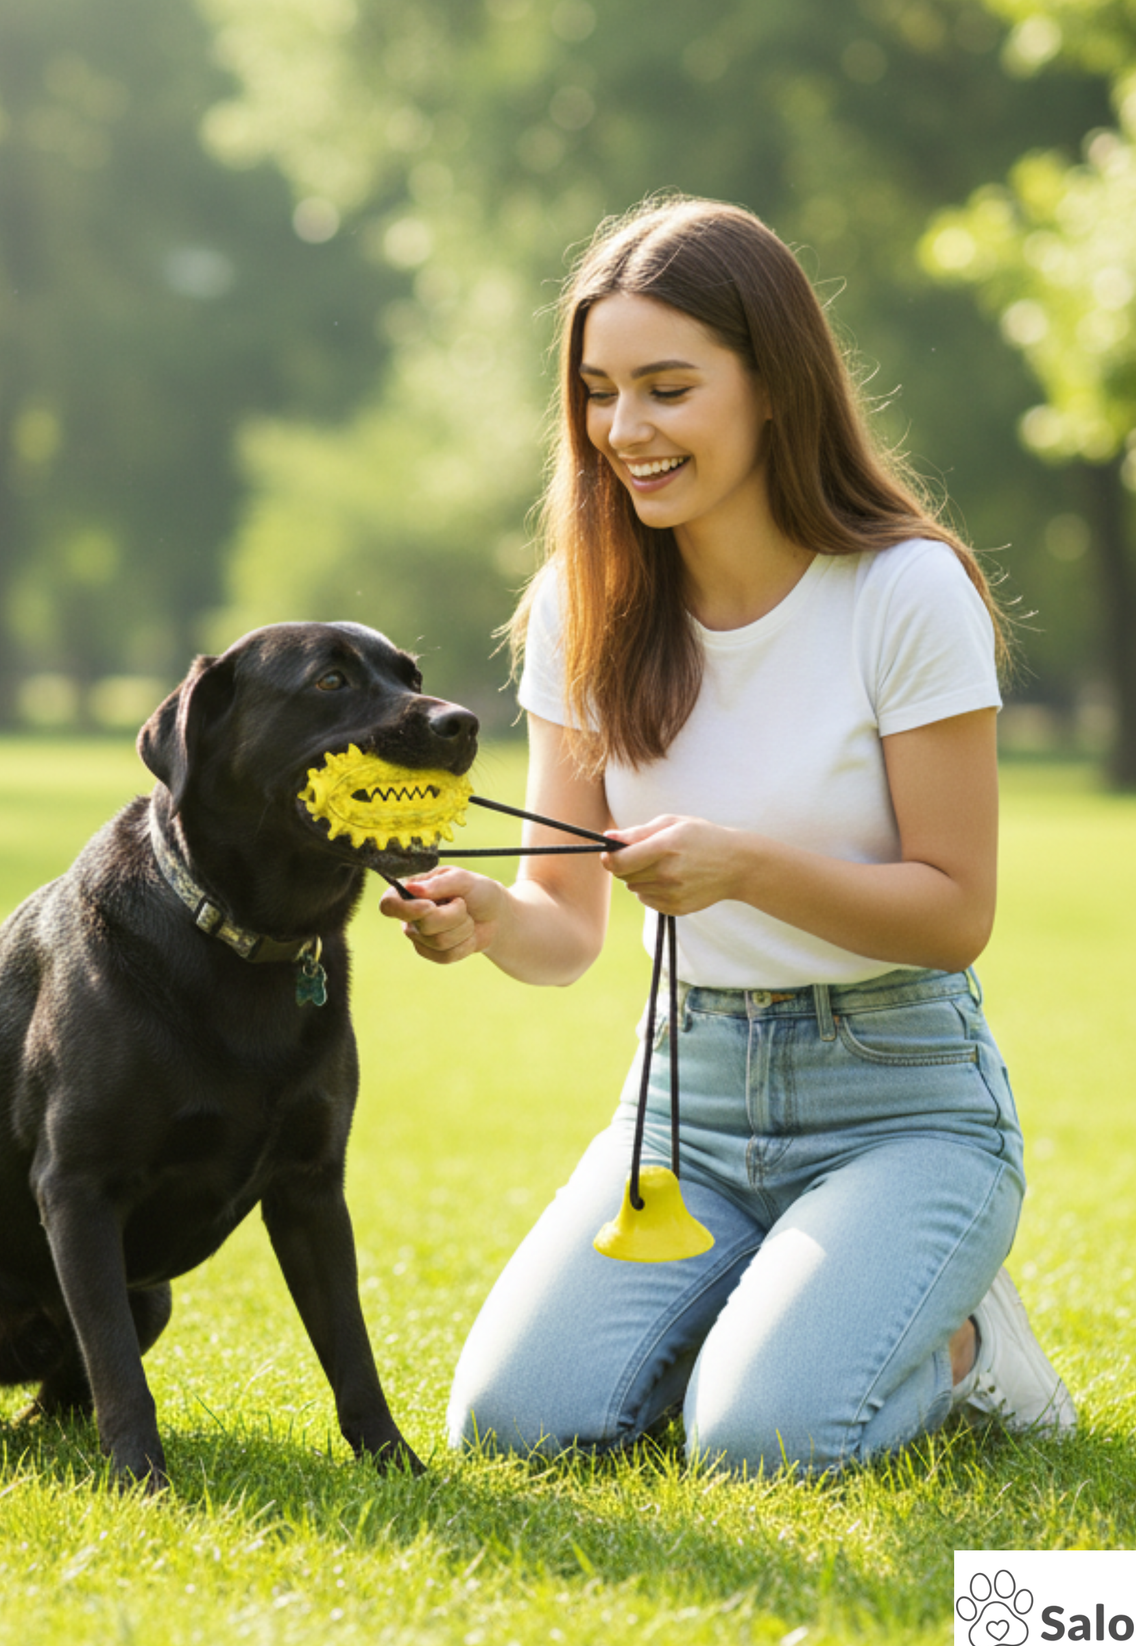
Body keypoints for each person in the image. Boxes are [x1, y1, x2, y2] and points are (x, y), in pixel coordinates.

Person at [381, 196, 1075, 1473]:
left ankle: (966, 1342)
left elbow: (952, 912)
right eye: (597, 391)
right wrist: (487, 924)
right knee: (511, 1424)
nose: (623, 430)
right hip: (681, 1111)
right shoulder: (581, 603)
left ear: (770, 386)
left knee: (761, 1443)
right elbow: (563, 933)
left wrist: (742, 865)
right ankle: (788, 1300)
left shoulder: (903, 591)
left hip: (898, 1100)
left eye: (665, 387)